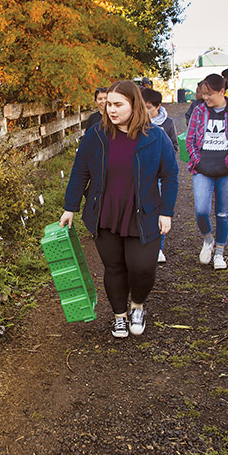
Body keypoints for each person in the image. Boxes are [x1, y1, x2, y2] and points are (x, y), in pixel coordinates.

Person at [61, 80, 179, 338]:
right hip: (106, 212)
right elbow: (80, 171)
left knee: (142, 267)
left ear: (134, 105)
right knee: (114, 267)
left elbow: (170, 175)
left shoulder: (156, 137)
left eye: (117, 105)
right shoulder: (97, 135)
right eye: (108, 104)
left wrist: (166, 211)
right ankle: (119, 316)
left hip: (144, 213)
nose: (110, 110)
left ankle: (137, 305)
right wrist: (70, 207)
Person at [186, 73, 228, 270]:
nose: (205, 98)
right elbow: (189, 140)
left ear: (222, 91)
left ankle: (220, 253)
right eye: (203, 94)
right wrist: (197, 160)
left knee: (222, 213)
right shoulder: (199, 111)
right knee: (201, 210)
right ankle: (207, 239)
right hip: (203, 168)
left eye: (210, 94)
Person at [142, 87, 178, 263]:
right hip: (143, 175)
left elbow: (175, 147)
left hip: (159, 176)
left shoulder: (167, 123)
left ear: (157, 107)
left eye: (148, 107)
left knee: (159, 211)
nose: (145, 111)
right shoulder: (135, 124)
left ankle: (158, 248)